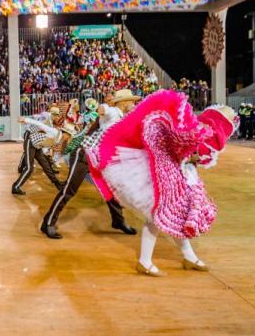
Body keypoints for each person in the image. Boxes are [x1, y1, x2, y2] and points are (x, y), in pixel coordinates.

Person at [88, 91, 238, 277]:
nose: (131, 103)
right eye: (128, 101)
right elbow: (104, 112)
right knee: (158, 217)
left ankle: (188, 257)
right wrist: (100, 107)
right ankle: (145, 261)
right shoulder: (114, 112)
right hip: (158, 170)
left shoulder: (194, 131)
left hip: (174, 174)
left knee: (173, 217)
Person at [40, 90, 140, 239]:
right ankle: (47, 223)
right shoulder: (113, 111)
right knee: (69, 190)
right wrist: (106, 106)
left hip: (99, 159)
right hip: (85, 155)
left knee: (111, 190)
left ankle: (118, 221)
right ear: (124, 102)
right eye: (132, 101)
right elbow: (102, 109)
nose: (134, 104)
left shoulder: (122, 118)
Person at [12, 106, 66, 195]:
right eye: (57, 116)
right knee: (29, 168)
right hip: (30, 139)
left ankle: (57, 184)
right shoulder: (47, 117)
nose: (58, 118)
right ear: (53, 114)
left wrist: (46, 152)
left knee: (46, 165)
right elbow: (39, 124)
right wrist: (25, 120)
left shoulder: (53, 126)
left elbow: (46, 141)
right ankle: (15, 187)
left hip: (36, 143)